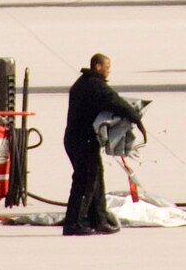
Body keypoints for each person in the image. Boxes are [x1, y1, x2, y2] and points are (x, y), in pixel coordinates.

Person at [63, 53, 142, 236]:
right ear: (98, 66)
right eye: (107, 67)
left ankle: (98, 219)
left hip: (78, 139)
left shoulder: (82, 83)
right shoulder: (93, 86)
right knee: (85, 181)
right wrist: (135, 117)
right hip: (82, 140)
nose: (109, 71)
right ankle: (74, 223)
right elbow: (114, 101)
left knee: (96, 178)